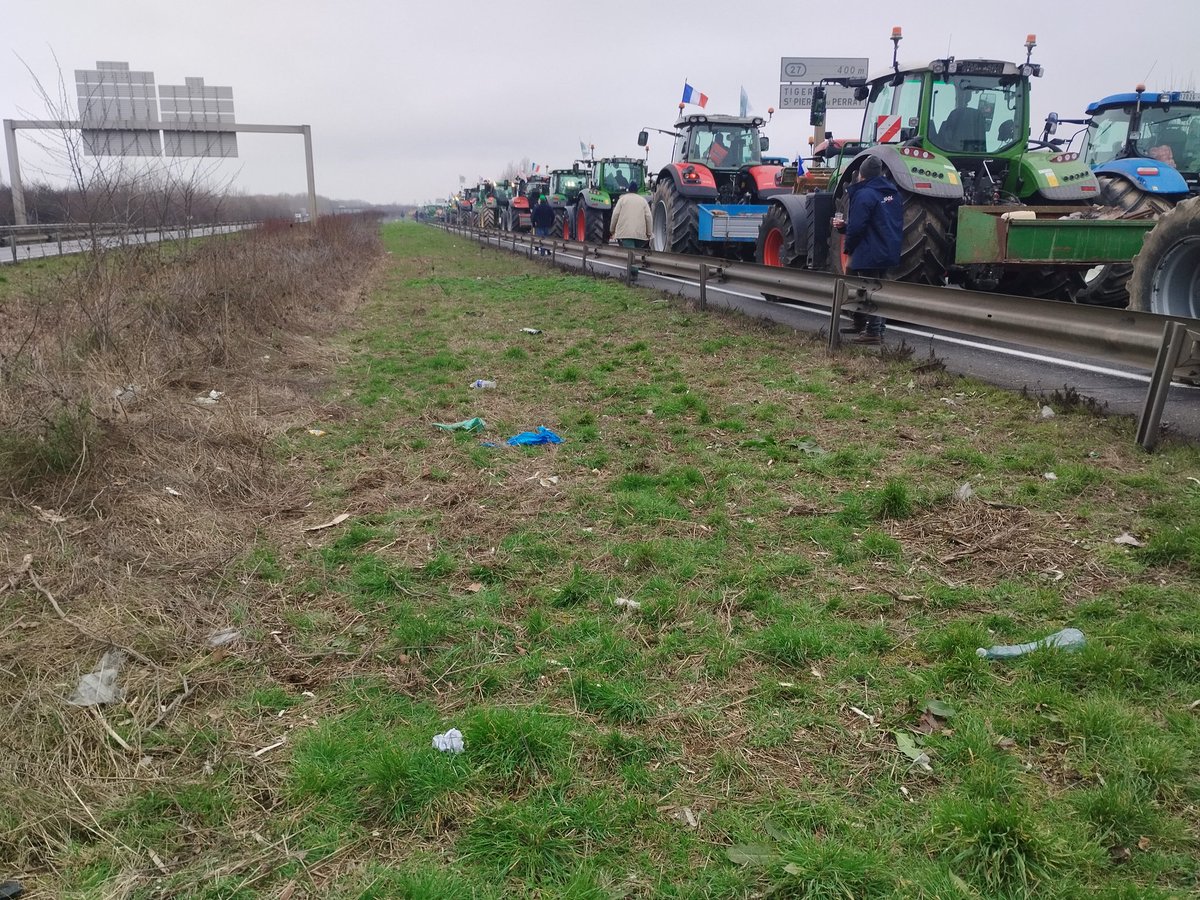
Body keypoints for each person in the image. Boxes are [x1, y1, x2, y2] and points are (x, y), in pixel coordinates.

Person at [836, 155, 903, 344]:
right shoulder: (892, 193)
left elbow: (858, 227)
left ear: (861, 175)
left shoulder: (864, 194)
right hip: (888, 248)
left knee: (868, 290)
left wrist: (848, 247)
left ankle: (873, 331)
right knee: (877, 288)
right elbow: (879, 222)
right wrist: (845, 227)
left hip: (869, 250)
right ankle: (869, 327)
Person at [608, 181, 652, 249]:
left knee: (630, 254)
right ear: (637, 190)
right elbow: (648, 217)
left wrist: (612, 230)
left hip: (625, 234)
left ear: (629, 190)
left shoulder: (622, 200)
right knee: (637, 253)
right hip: (640, 235)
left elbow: (615, 215)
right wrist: (649, 233)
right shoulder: (643, 201)